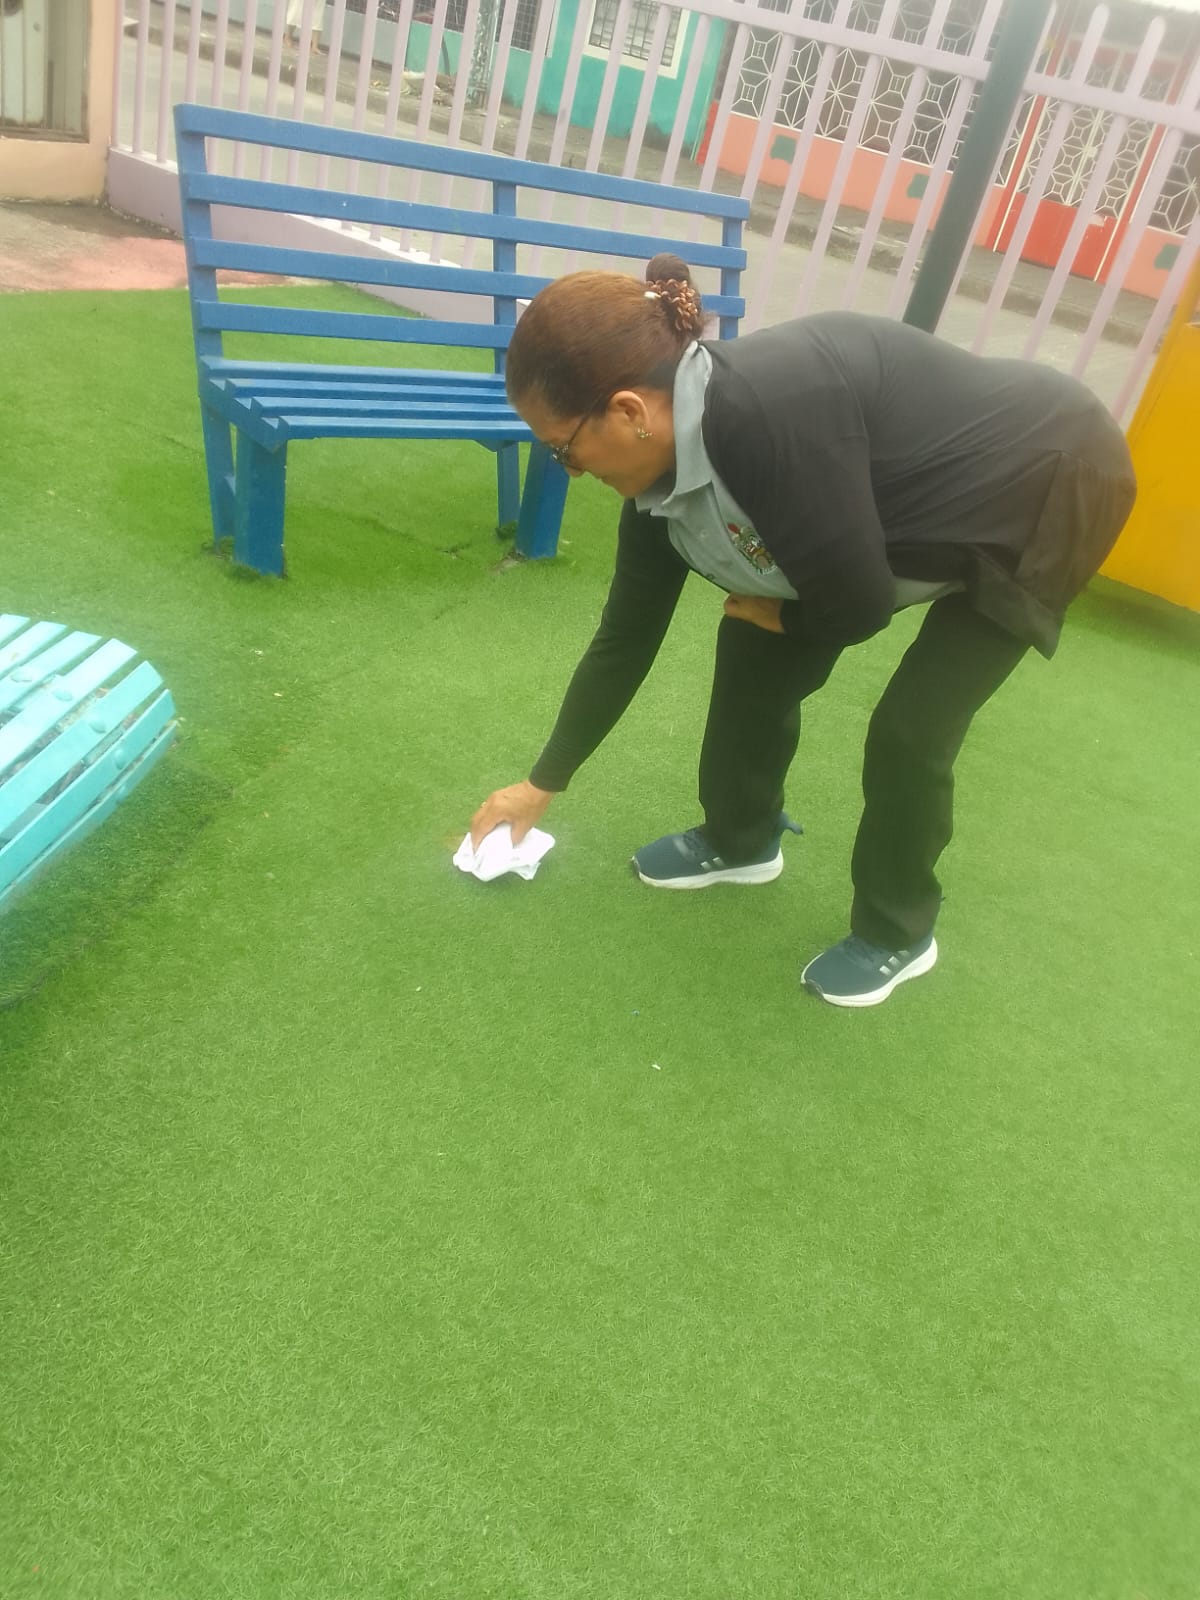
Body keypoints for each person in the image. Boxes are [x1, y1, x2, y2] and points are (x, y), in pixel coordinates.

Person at [469, 255, 1137, 1008]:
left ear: (629, 411)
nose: (568, 469)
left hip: (1048, 482)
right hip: (902, 500)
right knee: (751, 640)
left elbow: (859, 606)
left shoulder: (769, 421)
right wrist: (541, 783)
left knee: (911, 730)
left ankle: (898, 933)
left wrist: (788, 614)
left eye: (563, 448)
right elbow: (625, 638)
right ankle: (740, 838)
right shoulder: (662, 478)